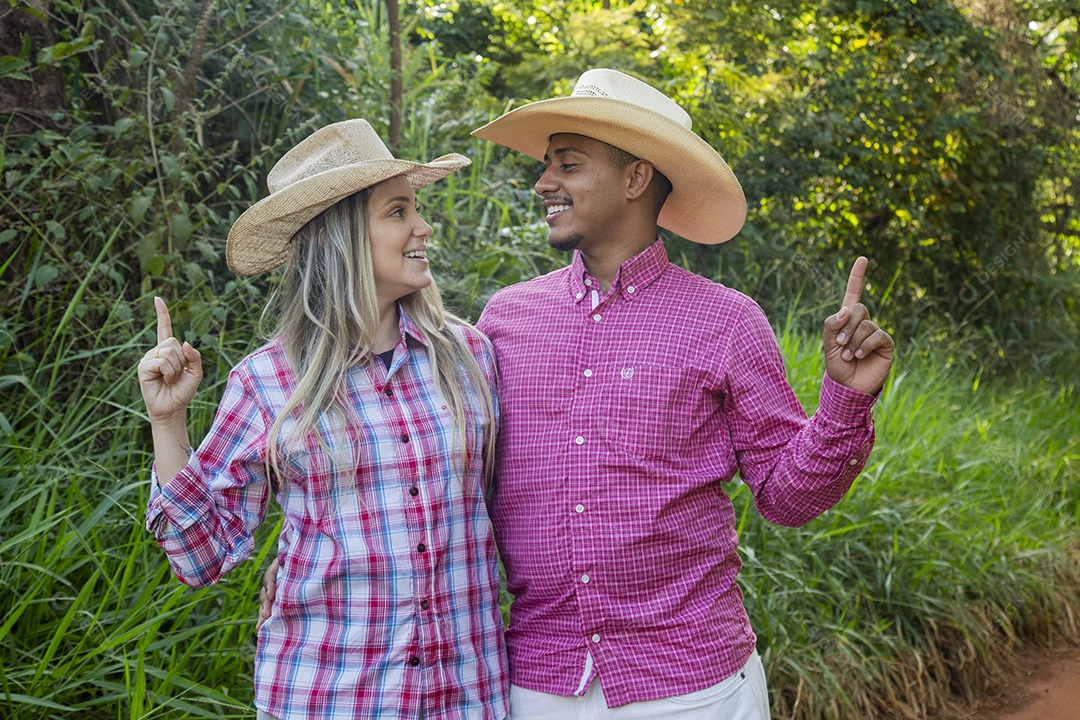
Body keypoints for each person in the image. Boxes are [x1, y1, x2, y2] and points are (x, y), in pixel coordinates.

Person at [466, 68, 894, 718]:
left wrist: (844, 399)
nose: (544, 183)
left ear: (636, 178)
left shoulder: (726, 322)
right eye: (547, 165)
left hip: (691, 689)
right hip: (536, 685)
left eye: (569, 165)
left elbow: (785, 497)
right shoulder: (503, 320)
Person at [139, 119, 509, 720]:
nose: (424, 227)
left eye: (415, 208)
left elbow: (522, 512)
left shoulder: (470, 358)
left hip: (464, 695)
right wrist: (169, 423)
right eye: (397, 212)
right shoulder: (267, 382)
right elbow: (198, 556)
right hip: (328, 695)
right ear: (341, 237)